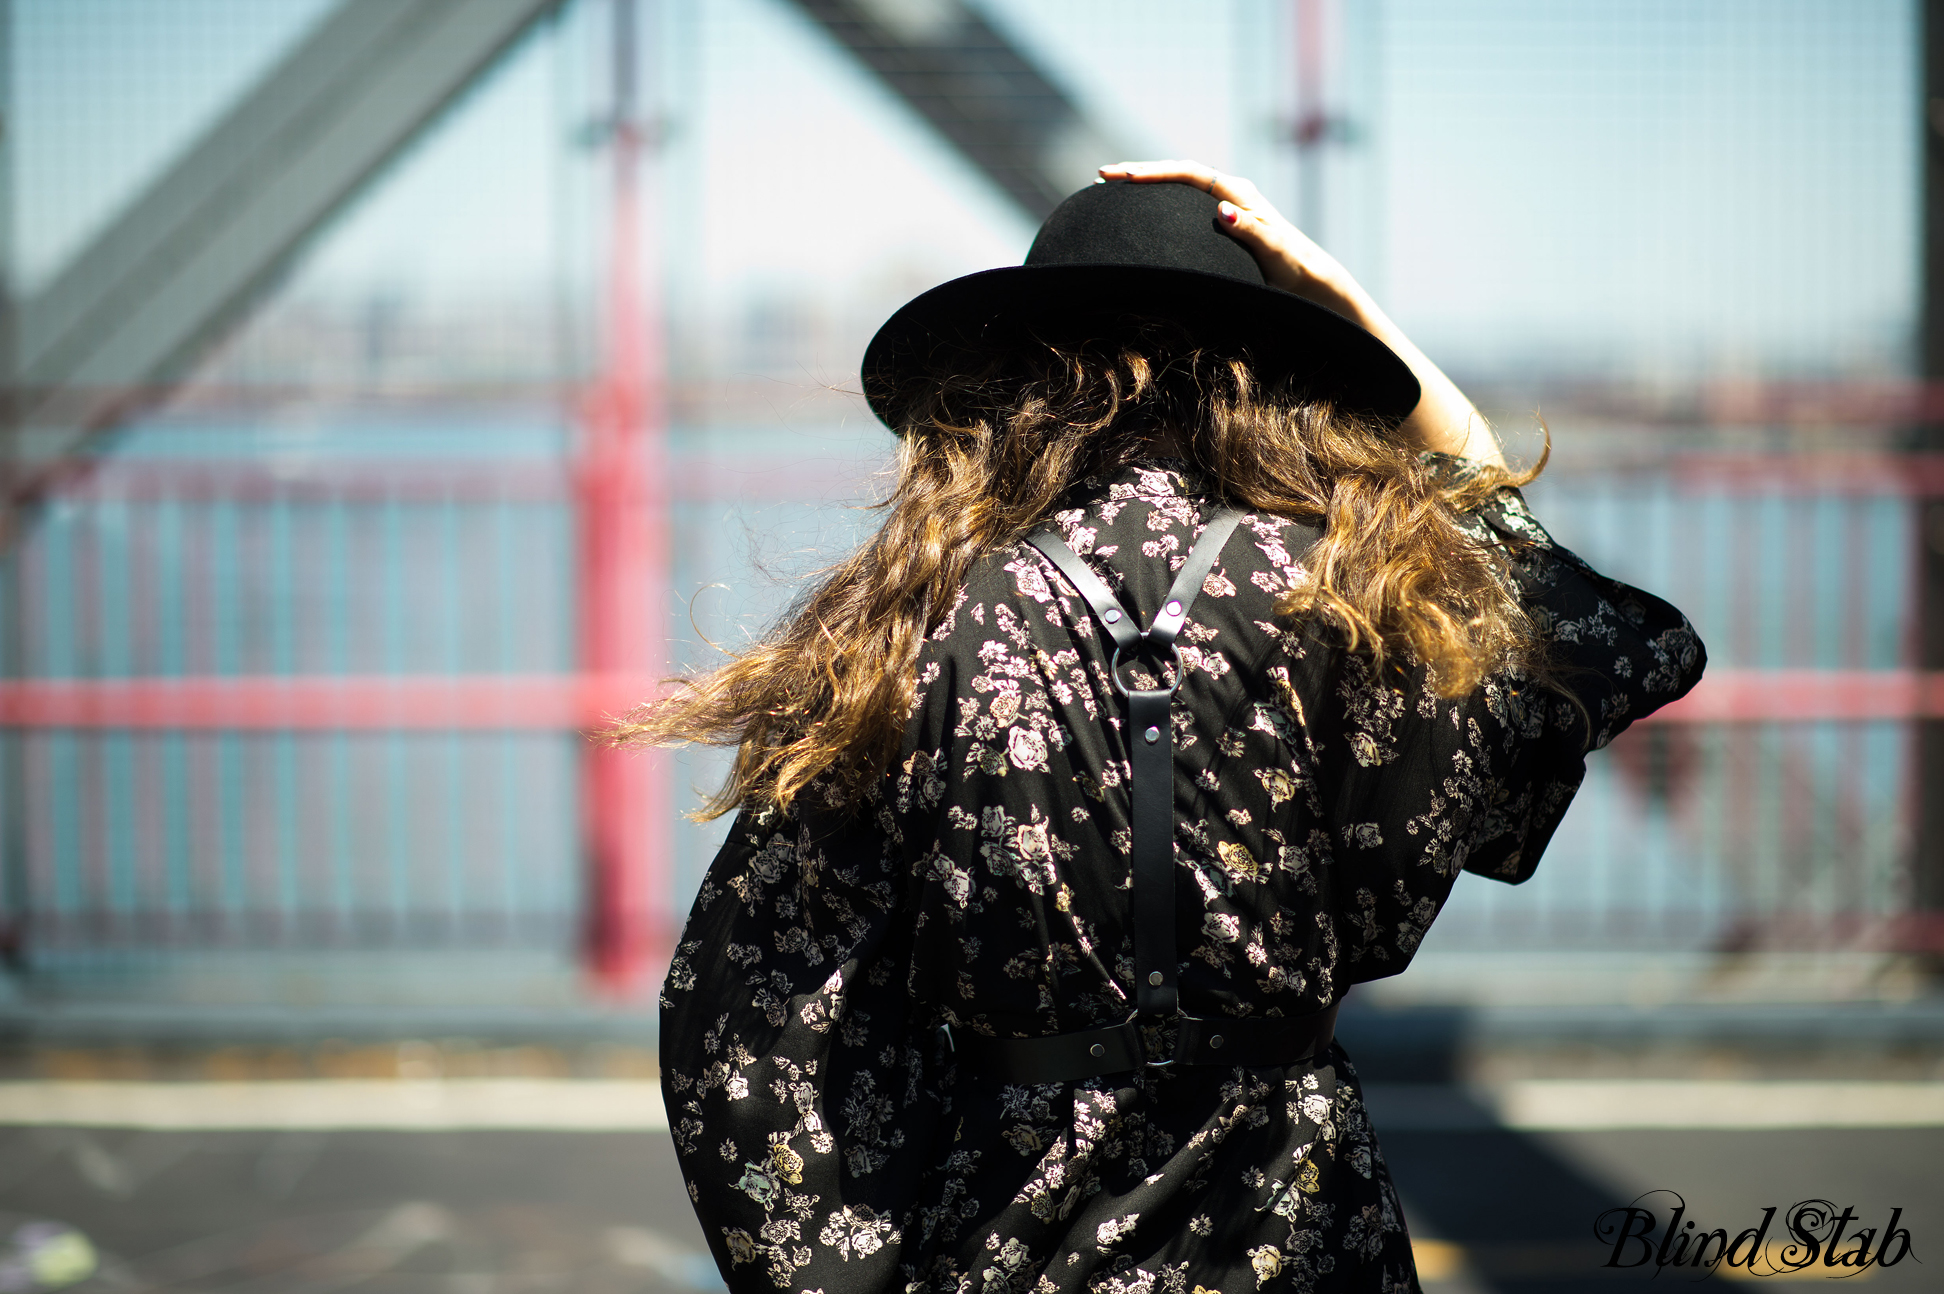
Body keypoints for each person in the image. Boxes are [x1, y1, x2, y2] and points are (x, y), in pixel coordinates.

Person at [629, 160, 1705, 1294]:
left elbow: (747, 1013)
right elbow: (1621, 640)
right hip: (1301, 1235)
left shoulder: (911, 624)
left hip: (1009, 1243)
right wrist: (1376, 334)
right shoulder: (1371, 602)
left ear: (1011, 386)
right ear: (1288, 385)